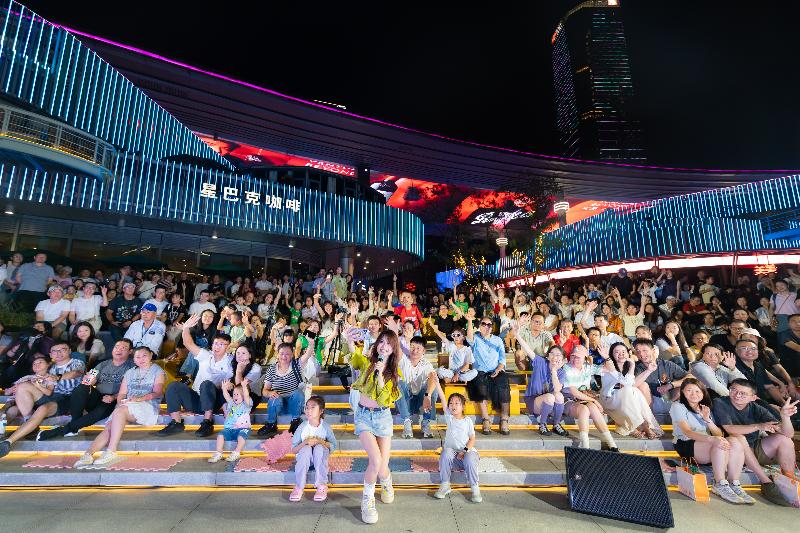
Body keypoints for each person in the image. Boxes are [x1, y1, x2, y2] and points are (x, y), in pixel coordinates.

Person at [73, 347, 165, 467]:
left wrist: (139, 399)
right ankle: (88, 454)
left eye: (144, 355)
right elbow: (122, 394)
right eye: (138, 357)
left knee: (119, 412)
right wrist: (121, 402)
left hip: (147, 405)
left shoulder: (157, 370)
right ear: (134, 360)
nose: (141, 359)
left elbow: (157, 393)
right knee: (110, 426)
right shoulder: (129, 372)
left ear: (151, 355)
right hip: (127, 405)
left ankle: (111, 451)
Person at [712, 379, 798, 506]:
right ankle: (766, 482)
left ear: (753, 398)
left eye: (743, 393)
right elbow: (730, 429)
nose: (737, 395)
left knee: (785, 440)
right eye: (733, 390)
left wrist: (785, 418)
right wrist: (758, 426)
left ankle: (789, 481)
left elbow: (788, 433)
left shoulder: (756, 408)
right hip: (730, 451)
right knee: (739, 438)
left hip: (752, 448)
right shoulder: (720, 402)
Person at [670, 378, 753, 504]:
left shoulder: (705, 408)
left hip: (708, 444)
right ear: (682, 392)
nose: (694, 394)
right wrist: (712, 439)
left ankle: (734, 483)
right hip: (686, 444)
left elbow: (718, 433)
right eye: (689, 390)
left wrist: (707, 420)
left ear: (703, 393)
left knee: (735, 441)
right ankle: (719, 483)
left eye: (697, 391)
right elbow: (687, 432)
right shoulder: (678, 406)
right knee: (720, 443)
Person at [349, 330, 402, 524]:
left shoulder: (394, 373)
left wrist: (380, 375)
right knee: (376, 460)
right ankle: (367, 500)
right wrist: (349, 341)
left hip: (383, 418)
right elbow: (355, 360)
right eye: (382, 341)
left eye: (389, 343)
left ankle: (386, 481)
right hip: (363, 416)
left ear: (393, 349)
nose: (384, 346)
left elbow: (384, 399)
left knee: (382, 468)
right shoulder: (367, 362)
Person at [37, 339, 135, 440]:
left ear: (130, 351)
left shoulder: (132, 366)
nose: (119, 350)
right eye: (117, 347)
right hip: (97, 396)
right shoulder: (103, 364)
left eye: (123, 348)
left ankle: (64, 430)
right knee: (81, 387)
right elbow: (89, 378)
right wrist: (88, 380)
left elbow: (131, 388)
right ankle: (75, 423)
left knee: (100, 411)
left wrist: (113, 397)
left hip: (113, 399)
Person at [0, 343, 85, 457]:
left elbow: (76, 372)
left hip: (68, 398)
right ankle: (28, 423)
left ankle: (8, 442)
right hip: (49, 396)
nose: (58, 353)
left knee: (42, 409)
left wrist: (58, 377)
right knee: (19, 396)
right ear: (50, 354)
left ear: (69, 351)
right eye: (54, 351)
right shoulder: (50, 368)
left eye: (62, 350)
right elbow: (38, 381)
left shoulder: (76, 362)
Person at [157, 314, 233, 437]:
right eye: (215, 343)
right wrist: (186, 328)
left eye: (221, 344)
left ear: (228, 347)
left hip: (214, 401)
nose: (217, 346)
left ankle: (207, 422)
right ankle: (176, 423)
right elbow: (188, 343)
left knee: (207, 384)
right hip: (197, 400)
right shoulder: (206, 355)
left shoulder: (231, 361)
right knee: (173, 386)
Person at [600, 342, 663, 438]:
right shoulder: (608, 365)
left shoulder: (627, 367)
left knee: (635, 390)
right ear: (612, 354)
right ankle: (639, 426)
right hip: (609, 399)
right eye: (617, 352)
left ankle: (642, 425)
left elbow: (632, 384)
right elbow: (626, 383)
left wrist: (648, 370)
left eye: (623, 351)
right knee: (629, 389)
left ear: (628, 353)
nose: (621, 354)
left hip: (623, 398)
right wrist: (632, 366)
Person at [562, 345, 618, 450]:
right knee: (585, 409)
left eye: (578, 357)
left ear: (585, 358)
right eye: (573, 356)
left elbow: (610, 369)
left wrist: (607, 357)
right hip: (568, 400)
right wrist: (594, 401)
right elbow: (574, 392)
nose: (575, 359)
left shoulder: (587, 367)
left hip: (584, 399)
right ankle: (585, 446)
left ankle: (612, 444)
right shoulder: (566, 368)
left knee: (592, 407)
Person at [515, 331, 569, 437]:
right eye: (552, 354)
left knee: (559, 396)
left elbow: (557, 390)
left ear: (562, 359)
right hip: (534, 400)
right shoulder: (540, 362)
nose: (555, 357)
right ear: (547, 356)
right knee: (550, 397)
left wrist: (554, 371)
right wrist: (517, 335)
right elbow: (528, 350)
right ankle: (542, 424)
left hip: (550, 403)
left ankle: (556, 424)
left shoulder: (561, 372)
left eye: (558, 355)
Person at [257, 341, 316, 437]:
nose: (284, 356)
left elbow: (307, 354)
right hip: (278, 405)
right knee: (274, 398)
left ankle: (295, 422)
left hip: (294, 404)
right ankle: (271, 424)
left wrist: (311, 343)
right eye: (281, 353)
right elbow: (265, 391)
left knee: (298, 393)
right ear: (277, 354)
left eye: (287, 354)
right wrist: (270, 393)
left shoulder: (296, 365)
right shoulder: (271, 369)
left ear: (292, 355)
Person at [466, 313, 511, 435]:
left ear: (492, 327)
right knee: (480, 384)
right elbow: (469, 338)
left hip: (496, 370)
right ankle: (486, 419)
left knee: (504, 384)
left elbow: (502, 359)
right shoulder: (476, 338)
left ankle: (504, 419)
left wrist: (499, 369)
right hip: (480, 372)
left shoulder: (498, 340)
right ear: (480, 326)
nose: (486, 326)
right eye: (484, 324)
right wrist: (469, 321)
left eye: (489, 325)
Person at [433, 392, 482, 503]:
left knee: (470, 458)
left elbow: (472, 439)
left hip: (466, 453)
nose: (453, 405)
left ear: (463, 406)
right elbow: (442, 397)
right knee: (445, 452)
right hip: (454, 457)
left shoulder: (467, 420)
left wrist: (464, 451)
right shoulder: (449, 418)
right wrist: (436, 384)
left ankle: (475, 488)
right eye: (451, 403)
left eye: (456, 403)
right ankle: (445, 485)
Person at [289, 395, 338, 503]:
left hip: (320, 460)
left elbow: (333, 446)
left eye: (313, 407)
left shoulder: (325, 427)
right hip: (304, 460)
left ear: (321, 411)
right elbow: (293, 449)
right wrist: (305, 442)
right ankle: (299, 487)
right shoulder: (302, 427)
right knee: (306, 449)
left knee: (319, 448)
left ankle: (321, 485)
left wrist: (320, 441)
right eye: (307, 407)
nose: (308, 410)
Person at [396, 336, 439, 439]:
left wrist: (427, 396)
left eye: (418, 348)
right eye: (412, 347)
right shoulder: (403, 359)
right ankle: (407, 422)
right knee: (399, 384)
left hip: (422, 402)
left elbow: (433, 377)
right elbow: (395, 345)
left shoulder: (426, 364)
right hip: (405, 402)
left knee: (433, 388)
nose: (414, 351)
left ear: (423, 351)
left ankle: (426, 422)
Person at [633, 338, 689, 415]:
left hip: (669, 398)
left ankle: (676, 414)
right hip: (650, 402)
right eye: (638, 351)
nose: (641, 354)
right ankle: (650, 417)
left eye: (645, 350)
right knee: (642, 385)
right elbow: (631, 385)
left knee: (686, 386)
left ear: (653, 351)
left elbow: (691, 377)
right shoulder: (636, 367)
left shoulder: (666, 364)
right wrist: (648, 370)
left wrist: (671, 385)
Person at [208, 378, 253, 464]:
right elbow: (227, 396)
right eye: (234, 394)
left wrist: (244, 387)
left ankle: (236, 452)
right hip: (230, 429)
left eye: (237, 394)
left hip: (243, 428)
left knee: (241, 436)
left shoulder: (246, 405)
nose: (235, 396)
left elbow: (246, 396)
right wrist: (224, 388)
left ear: (243, 395)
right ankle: (219, 453)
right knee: (220, 435)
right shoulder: (232, 403)